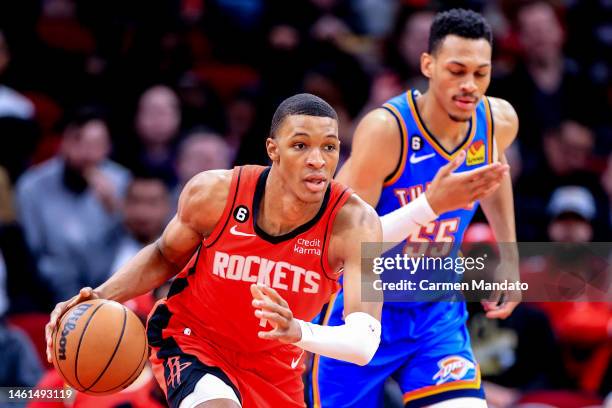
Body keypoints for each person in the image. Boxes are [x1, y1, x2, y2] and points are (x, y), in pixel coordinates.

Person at [45, 94, 385, 408]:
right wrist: (101, 294)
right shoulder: (214, 194)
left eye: (329, 147)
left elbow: (364, 342)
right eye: (300, 145)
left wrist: (298, 331)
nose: (317, 160)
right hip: (194, 342)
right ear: (273, 149)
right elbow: (164, 255)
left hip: (277, 370)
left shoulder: (359, 225)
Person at [313, 9, 519, 408]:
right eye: (456, 70)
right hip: (361, 310)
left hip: (434, 313)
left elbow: (495, 175)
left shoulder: (497, 122)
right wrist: (429, 205)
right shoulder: (387, 131)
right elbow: (338, 238)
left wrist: (510, 254)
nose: (469, 85)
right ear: (428, 64)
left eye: (481, 73)